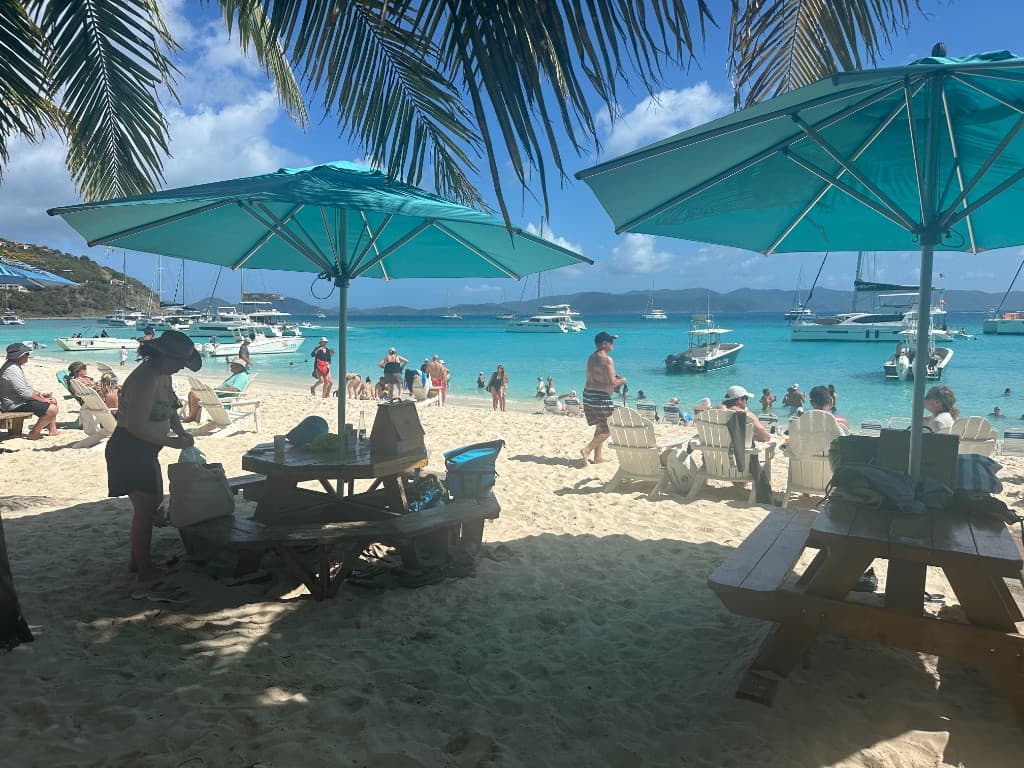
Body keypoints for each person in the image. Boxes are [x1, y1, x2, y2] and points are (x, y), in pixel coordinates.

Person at [106, 330, 198, 581]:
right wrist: (171, 442)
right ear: (162, 356)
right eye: (178, 362)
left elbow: (171, 408)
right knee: (145, 510)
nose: (181, 367)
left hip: (147, 449)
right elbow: (136, 426)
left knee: (153, 501)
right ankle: (143, 567)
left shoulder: (164, 376)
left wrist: (181, 432)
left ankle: (138, 563)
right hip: (129, 449)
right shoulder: (144, 379)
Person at [580, 331, 626, 466]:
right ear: (605, 344)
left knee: (600, 426)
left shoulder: (591, 357)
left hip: (588, 394)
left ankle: (598, 457)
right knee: (608, 429)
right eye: (611, 342)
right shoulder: (607, 359)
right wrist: (622, 380)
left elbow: (597, 377)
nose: (613, 344)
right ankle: (587, 449)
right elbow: (612, 383)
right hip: (600, 397)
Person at [0, 343, 59, 440]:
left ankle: (52, 430)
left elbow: (27, 387)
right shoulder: (11, 370)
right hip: (14, 405)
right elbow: (25, 393)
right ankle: (34, 433)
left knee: (53, 400)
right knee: (52, 409)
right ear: (19, 356)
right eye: (26, 354)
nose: (28, 356)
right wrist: (42, 400)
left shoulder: (15, 366)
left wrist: (39, 394)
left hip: (21, 401)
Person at [182, 358, 249, 423]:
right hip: (218, 395)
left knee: (195, 395)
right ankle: (192, 415)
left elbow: (234, 389)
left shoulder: (242, 376)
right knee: (191, 393)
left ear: (239, 367)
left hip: (223, 398)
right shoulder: (236, 375)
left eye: (232, 365)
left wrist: (214, 392)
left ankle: (191, 417)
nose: (230, 366)